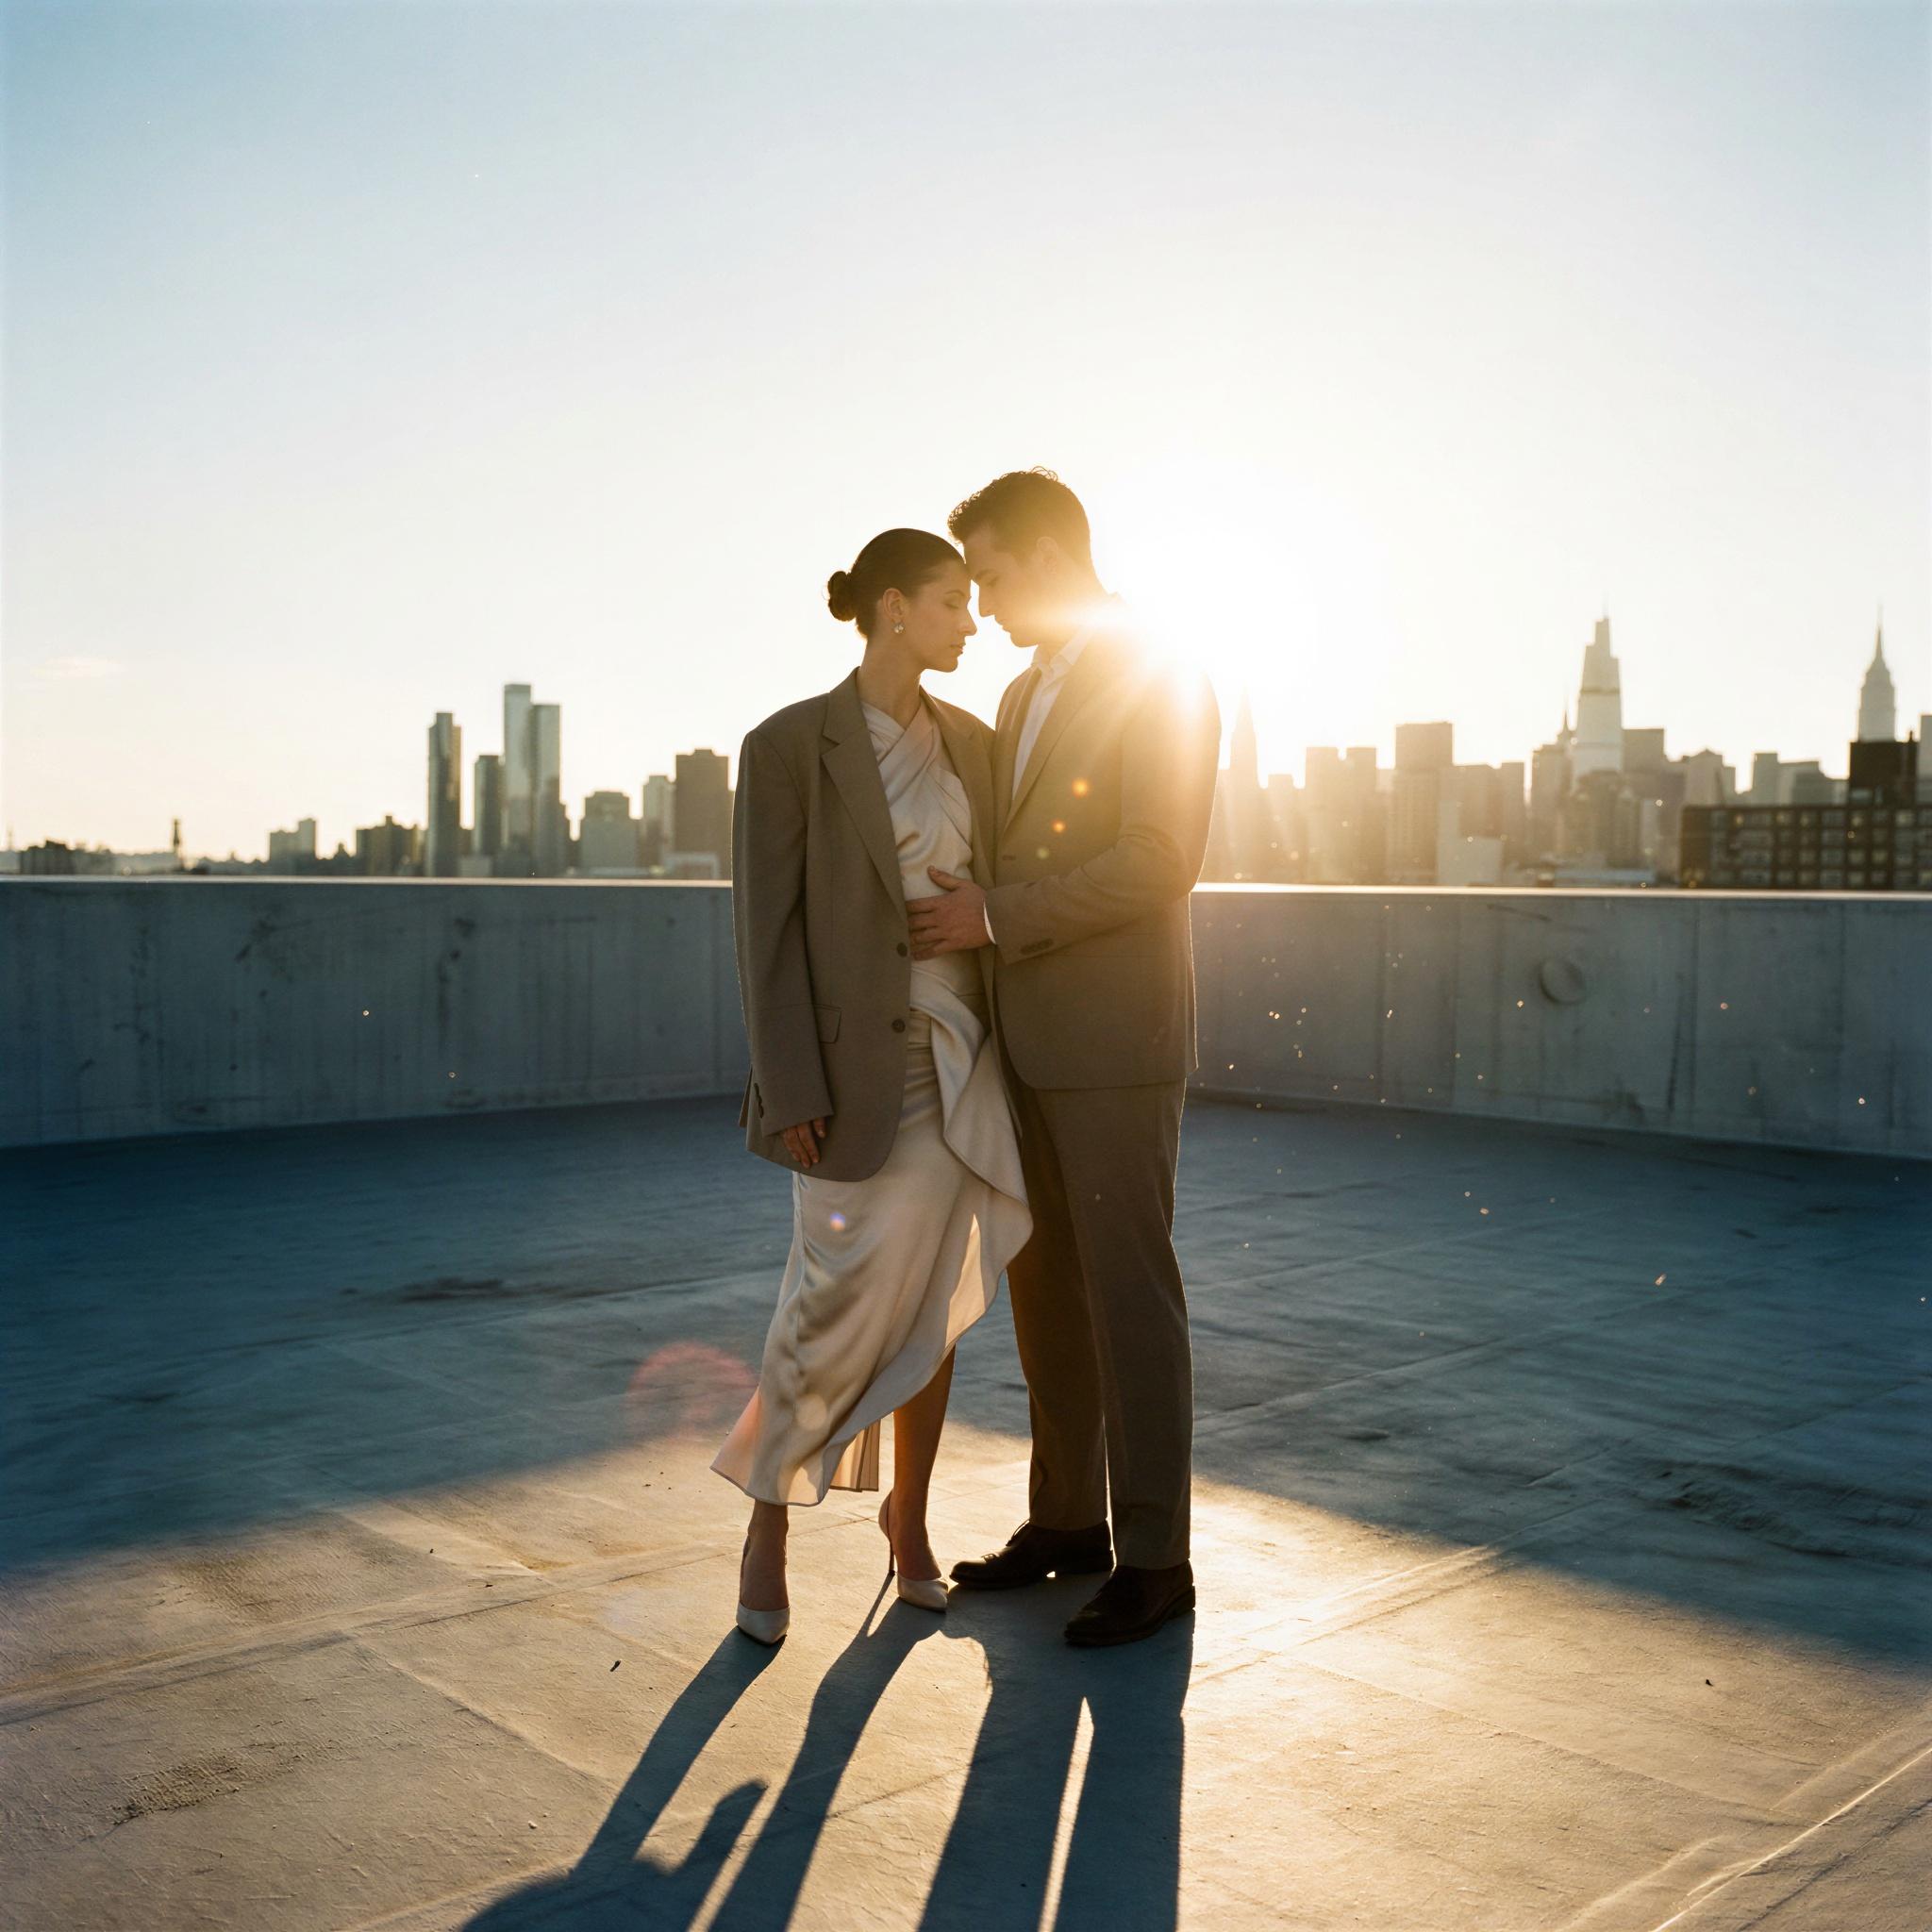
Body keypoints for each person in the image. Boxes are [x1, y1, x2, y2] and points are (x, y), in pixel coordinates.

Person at [906, 469, 1220, 1648]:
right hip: (1025, 1038)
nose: (978, 601)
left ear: (1043, 556)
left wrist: (996, 915)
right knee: (1043, 1286)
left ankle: (1154, 1556)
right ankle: (1064, 1521)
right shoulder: (1022, 683)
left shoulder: (1163, 671)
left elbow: (1158, 856)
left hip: (1115, 1039)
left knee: (1129, 1295)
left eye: (988, 573)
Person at [712, 528, 1031, 1644]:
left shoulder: (979, 748)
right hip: (851, 1076)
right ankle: (769, 1520)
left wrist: (978, 903)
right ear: (893, 607)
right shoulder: (788, 744)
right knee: (825, 1300)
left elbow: (1008, 882)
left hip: (959, 1058)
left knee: (932, 1307)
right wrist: (788, 1080)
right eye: (951, 601)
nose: (971, 619)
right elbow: (768, 930)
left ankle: (911, 1524)